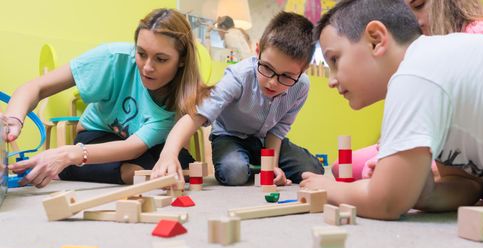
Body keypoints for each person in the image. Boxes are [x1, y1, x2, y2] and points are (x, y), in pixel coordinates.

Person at [301, 0, 483, 220]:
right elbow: (467, 185)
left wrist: (328, 188)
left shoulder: (414, 72)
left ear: (376, 40)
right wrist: (424, 194)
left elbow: (387, 203)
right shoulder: (435, 62)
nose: (331, 80)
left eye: (335, 59)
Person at [2, 8, 208, 188]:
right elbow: (36, 87)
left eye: (161, 59)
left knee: (180, 169)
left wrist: (67, 155)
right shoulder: (112, 58)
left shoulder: (181, 97)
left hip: (142, 143)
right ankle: (74, 167)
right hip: (99, 134)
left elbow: (133, 147)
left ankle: (75, 166)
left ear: (181, 61)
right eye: (141, 53)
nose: (147, 67)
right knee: (134, 171)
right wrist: (13, 120)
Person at [333, 0, 483, 181]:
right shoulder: (418, 56)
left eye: (418, 6)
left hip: (472, 146)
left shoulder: (480, 37)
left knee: (382, 172)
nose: (412, 21)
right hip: (436, 142)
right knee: (344, 167)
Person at [152, 11, 324, 185]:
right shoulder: (238, 76)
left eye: (286, 76)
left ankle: (257, 166)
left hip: (264, 141)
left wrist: (270, 165)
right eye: (267, 68)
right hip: (229, 136)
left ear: (302, 71)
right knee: (234, 172)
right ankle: (250, 166)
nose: (272, 83)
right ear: (258, 51)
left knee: (313, 170)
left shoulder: (301, 86)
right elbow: (197, 115)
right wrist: (169, 154)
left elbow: (278, 130)